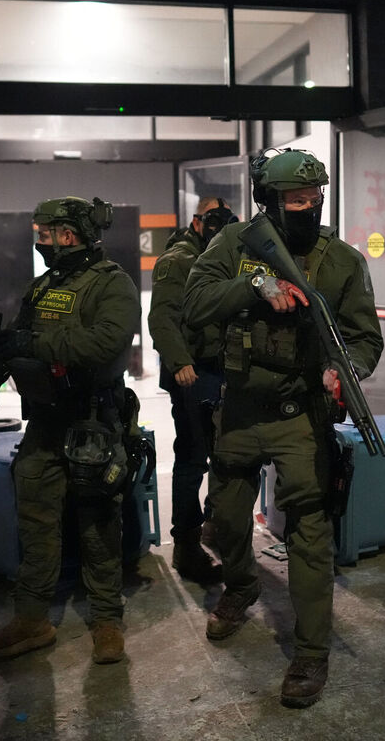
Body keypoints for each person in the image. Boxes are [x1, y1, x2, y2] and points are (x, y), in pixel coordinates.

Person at [183, 149, 383, 708]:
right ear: (268, 200)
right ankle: (242, 586)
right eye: (296, 200)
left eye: (315, 197)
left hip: (302, 413)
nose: (308, 207)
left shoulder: (341, 261)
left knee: (310, 537)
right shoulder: (235, 245)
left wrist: (344, 371)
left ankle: (311, 653)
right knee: (223, 517)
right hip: (242, 409)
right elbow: (194, 304)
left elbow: (365, 338)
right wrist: (254, 287)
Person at [0, 196, 141, 665]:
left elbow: (105, 345)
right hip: (46, 424)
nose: (41, 240)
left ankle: (108, 621)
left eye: (45, 232)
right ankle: (32, 619)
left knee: (97, 525)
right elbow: (17, 337)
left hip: (94, 423)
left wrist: (34, 343)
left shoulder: (113, 284)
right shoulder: (45, 285)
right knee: (36, 524)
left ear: (67, 234)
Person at [148, 197, 236, 583]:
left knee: (225, 453)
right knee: (192, 456)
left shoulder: (220, 255)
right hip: (191, 371)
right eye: (213, 219)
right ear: (198, 221)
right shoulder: (178, 260)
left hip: (220, 370)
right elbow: (162, 317)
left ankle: (215, 526)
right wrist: (180, 362)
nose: (218, 226)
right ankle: (186, 544)